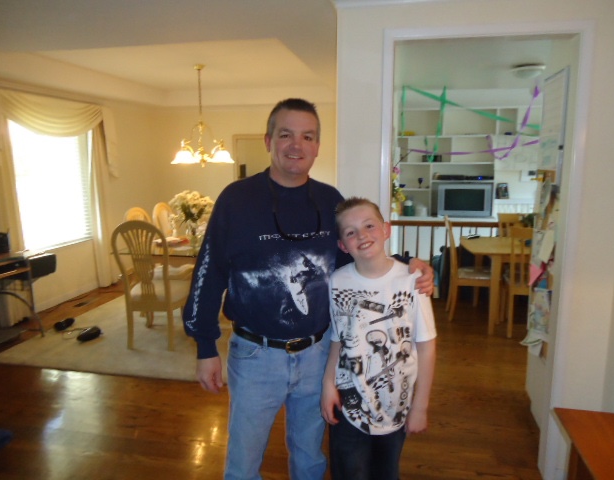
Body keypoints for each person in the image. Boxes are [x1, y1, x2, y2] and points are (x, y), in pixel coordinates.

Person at [182, 98, 434, 480]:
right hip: (255, 356)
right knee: (243, 463)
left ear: (317, 146)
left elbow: (355, 254)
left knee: (310, 458)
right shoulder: (236, 199)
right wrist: (205, 346)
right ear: (269, 140)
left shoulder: (330, 200)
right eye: (286, 134)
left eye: (308, 136)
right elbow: (209, 270)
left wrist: (406, 264)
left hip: (318, 355)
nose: (296, 145)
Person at [321, 197, 437, 480]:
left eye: (369, 226)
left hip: (395, 406)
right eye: (351, 232)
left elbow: (426, 347)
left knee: (386, 472)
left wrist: (420, 407)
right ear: (342, 245)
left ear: (386, 230)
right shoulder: (337, 282)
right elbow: (338, 338)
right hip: (348, 403)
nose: (362, 235)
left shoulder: (412, 281)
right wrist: (328, 384)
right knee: (348, 472)